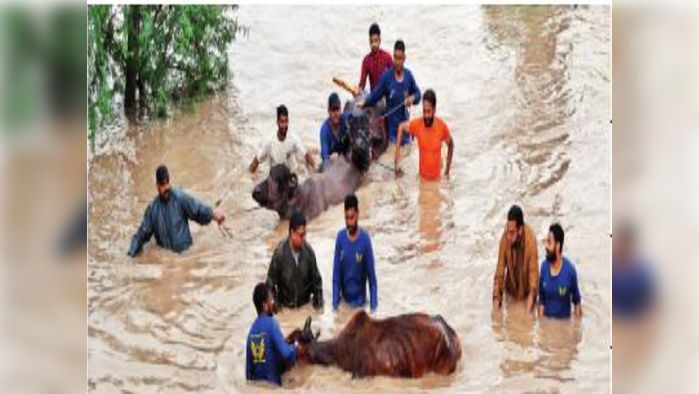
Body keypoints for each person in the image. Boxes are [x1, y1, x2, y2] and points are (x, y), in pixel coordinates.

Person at [127, 165, 225, 256]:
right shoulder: (153, 209)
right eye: (162, 184)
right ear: (157, 185)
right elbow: (141, 235)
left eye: (167, 183)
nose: (166, 187)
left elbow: (198, 210)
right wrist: (131, 253)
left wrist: (213, 214)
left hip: (187, 255)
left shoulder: (180, 198)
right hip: (167, 263)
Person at [358, 40, 421, 146]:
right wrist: (364, 103)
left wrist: (412, 98)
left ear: (404, 58)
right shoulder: (387, 77)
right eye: (395, 57)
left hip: (405, 129)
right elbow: (375, 95)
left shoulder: (409, 76)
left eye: (399, 58)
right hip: (392, 132)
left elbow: (419, 94)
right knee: (392, 156)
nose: (397, 61)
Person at [266, 211, 324, 310]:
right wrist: (278, 309)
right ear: (292, 233)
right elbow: (269, 285)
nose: (304, 238)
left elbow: (317, 285)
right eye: (301, 235)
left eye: (305, 234)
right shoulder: (279, 254)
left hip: (305, 307)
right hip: (286, 308)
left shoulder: (309, 252)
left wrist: (318, 310)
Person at [246, 282, 300, 386]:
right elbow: (286, 354)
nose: (273, 302)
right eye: (271, 299)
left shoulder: (251, 332)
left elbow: (248, 374)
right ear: (265, 305)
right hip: (274, 387)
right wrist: (296, 346)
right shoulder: (271, 324)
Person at [332, 194, 378, 312]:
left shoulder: (365, 240)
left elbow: (372, 281)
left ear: (357, 214)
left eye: (352, 218)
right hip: (344, 304)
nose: (349, 222)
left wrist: (373, 310)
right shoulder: (340, 238)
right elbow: (336, 278)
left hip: (361, 307)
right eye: (346, 218)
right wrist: (335, 307)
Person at [395, 89, 454, 180]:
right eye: (424, 111)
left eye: (428, 111)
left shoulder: (442, 127)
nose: (426, 115)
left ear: (434, 110)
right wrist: (397, 161)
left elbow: (451, 144)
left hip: (436, 180)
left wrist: (447, 172)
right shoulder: (418, 124)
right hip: (422, 179)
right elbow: (401, 127)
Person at [492, 205, 539, 313]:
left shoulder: (531, 241)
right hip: (510, 292)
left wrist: (526, 316)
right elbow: (499, 276)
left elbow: (533, 283)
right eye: (507, 231)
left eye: (512, 232)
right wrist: (495, 314)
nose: (508, 236)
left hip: (527, 297)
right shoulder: (506, 237)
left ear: (520, 229)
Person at [249, 105, 316, 173]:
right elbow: (256, 161)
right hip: (275, 175)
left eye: (286, 121)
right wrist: (249, 177)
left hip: (290, 173)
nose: (284, 125)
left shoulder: (293, 138)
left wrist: (316, 170)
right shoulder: (269, 141)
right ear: (277, 122)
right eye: (282, 122)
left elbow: (306, 155)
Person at [538, 223, 583, 319]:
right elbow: (541, 302)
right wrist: (541, 330)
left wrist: (576, 330)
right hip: (547, 327)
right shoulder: (543, 268)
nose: (546, 246)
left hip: (564, 329)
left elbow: (577, 303)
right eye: (546, 242)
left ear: (558, 245)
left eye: (549, 242)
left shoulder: (570, 271)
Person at [358, 23, 393, 93]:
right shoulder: (366, 60)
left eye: (376, 41)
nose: (374, 44)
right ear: (369, 41)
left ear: (380, 40)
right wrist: (358, 91)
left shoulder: (387, 57)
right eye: (371, 41)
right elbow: (362, 84)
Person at [319, 92, 348, 168]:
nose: (336, 114)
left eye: (337, 110)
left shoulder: (345, 119)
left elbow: (356, 116)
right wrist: (328, 159)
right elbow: (324, 156)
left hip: (343, 153)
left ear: (341, 110)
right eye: (333, 110)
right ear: (328, 111)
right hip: (331, 159)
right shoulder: (324, 130)